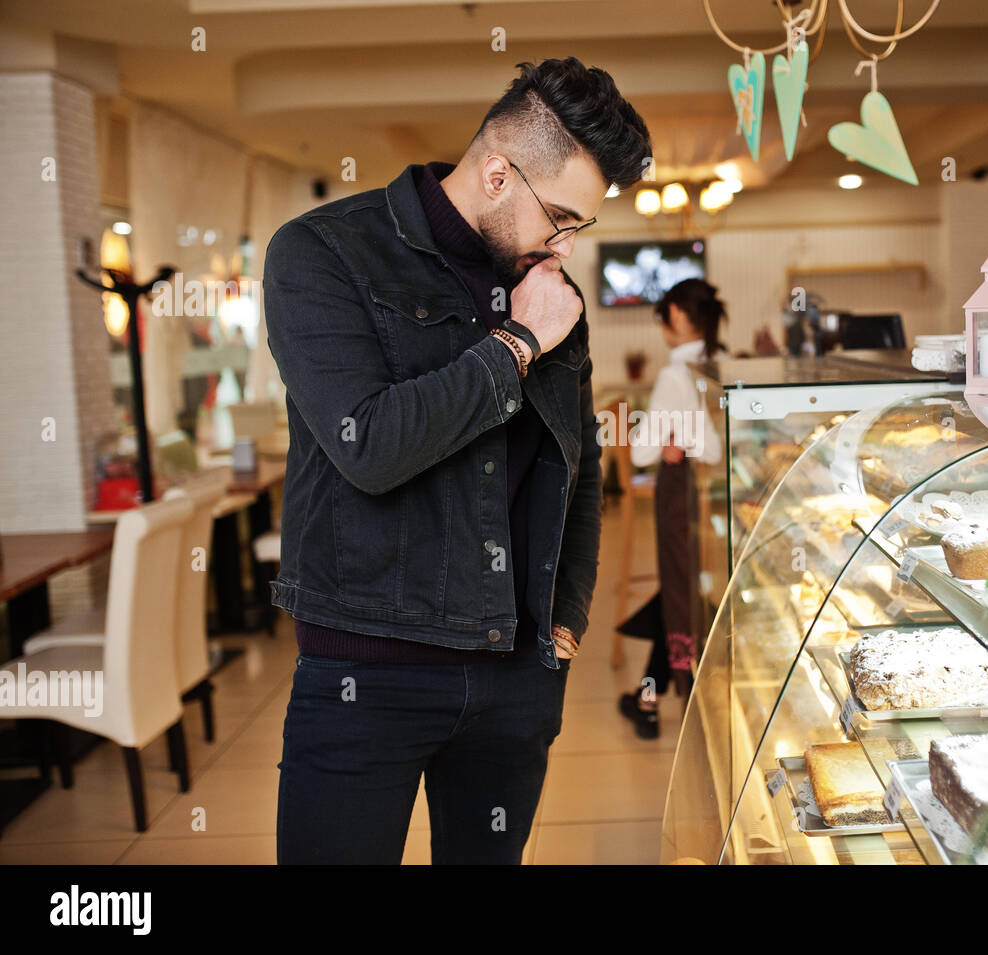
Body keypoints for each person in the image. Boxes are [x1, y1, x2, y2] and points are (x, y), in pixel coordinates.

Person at [263, 57, 652, 864]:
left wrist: (568, 615)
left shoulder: (551, 295)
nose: (565, 246)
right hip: (364, 671)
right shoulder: (324, 253)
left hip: (516, 673)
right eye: (562, 217)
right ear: (498, 171)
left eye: (579, 227)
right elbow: (368, 445)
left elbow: (575, 465)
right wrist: (515, 344)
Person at [619, 279, 726, 739]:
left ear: (679, 315)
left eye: (664, 316)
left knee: (681, 593)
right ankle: (648, 693)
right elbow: (720, 449)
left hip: (680, 495)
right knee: (691, 588)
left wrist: (671, 440)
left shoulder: (673, 376)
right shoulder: (723, 364)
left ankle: (668, 696)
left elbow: (643, 453)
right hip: (717, 499)